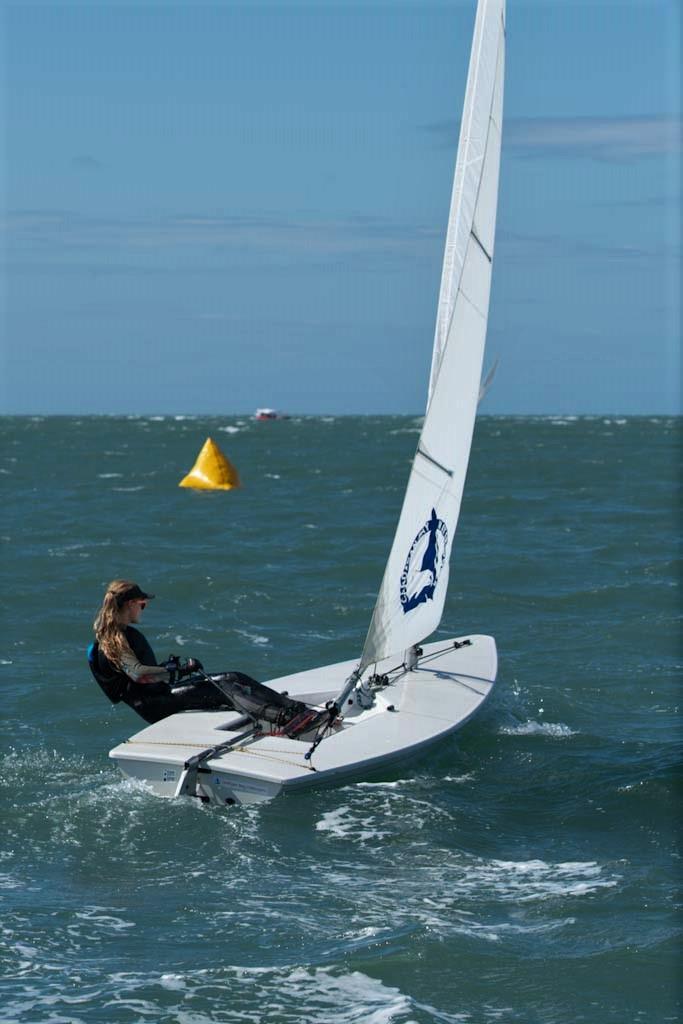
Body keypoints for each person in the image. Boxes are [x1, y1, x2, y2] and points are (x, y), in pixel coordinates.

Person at [88, 579, 238, 724]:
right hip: (157, 704)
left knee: (232, 679)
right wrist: (179, 670)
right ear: (131, 604)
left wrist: (171, 668)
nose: (143, 609)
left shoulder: (121, 635)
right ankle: (261, 717)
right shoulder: (114, 640)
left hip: (158, 697)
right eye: (142, 605)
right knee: (227, 685)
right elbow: (138, 674)